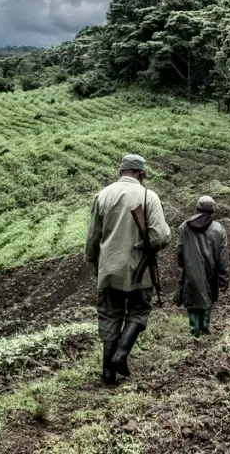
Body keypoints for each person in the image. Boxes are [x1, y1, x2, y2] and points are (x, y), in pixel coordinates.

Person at [85, 153, 171, 385]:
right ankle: (121, 355)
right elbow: (160, 236)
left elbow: (93, 237)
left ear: (121, 171)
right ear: (141, 173)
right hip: (139, 271)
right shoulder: (148, 196)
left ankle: (108, 373)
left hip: (109, 269)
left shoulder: (102, 195)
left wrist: (95, 262)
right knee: (139, 311)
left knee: (110, 316)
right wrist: (145, 245)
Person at [175, 195, 230, 337]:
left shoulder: (184, 226)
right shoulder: (219, 229)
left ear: (196, 208)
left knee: (192, 298)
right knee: (208, 297)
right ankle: (205, 326)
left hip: (191, 269)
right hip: (210, 271)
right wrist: (223, 276)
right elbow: (223, 256)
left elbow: (179, 249)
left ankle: (194, 330)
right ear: (213, 211)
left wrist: (183, 264)